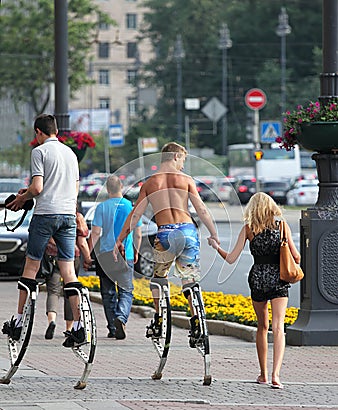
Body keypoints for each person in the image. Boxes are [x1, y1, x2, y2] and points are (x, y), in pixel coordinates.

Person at [114, 142, 219, 345]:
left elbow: (135, 215)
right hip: (188, 231)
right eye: (183, 160)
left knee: (158, 279)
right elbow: (202, 209)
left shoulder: (151, 184)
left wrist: (120, 238)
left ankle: (160, 317)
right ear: (175, 157)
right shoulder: (186, 180)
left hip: (166, 233)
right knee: (189, 280)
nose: (182, 165)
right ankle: (196, 320)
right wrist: (213, 234)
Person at [2, 114, 85, 348]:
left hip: (46, 214)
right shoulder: (70, 153)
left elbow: (38, 188)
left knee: (31, 266)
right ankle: (78, 326)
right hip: (68, 215)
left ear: (38, 132)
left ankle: (17, 322)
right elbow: (74, 188)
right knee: (68, 270)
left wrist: (22, 198)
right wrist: (29, 192)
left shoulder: (39, 152)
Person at [210, 192, 300, 389]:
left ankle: (263, 374)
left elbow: (231, 258)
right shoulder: (282, 226)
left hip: (258, 279)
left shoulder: (248, 229)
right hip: (279, 279)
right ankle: (276, 375)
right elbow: (297, 257)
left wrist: (217, 247)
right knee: (278, 327)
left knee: (262, 327)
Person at [86, 175, 142, 339]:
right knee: (126, 291)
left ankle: (112, 327)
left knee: (108, 293)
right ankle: (121, 317)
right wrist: (136, 250)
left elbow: (96, 233)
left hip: (105, 256)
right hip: (126, 255)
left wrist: (88, 253)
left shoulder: (101, 208)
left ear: (107, 189)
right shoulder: (130, 206)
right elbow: (137, 233)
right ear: (121, 187)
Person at [44, 211, 92, 339]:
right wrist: (87, 258)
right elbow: (82, 242)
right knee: (70, 290)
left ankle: (52, 321)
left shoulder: (50, 213)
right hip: (71, 257)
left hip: (52, 256)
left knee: (53, 291)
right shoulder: (77, 217)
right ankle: (69, 327)